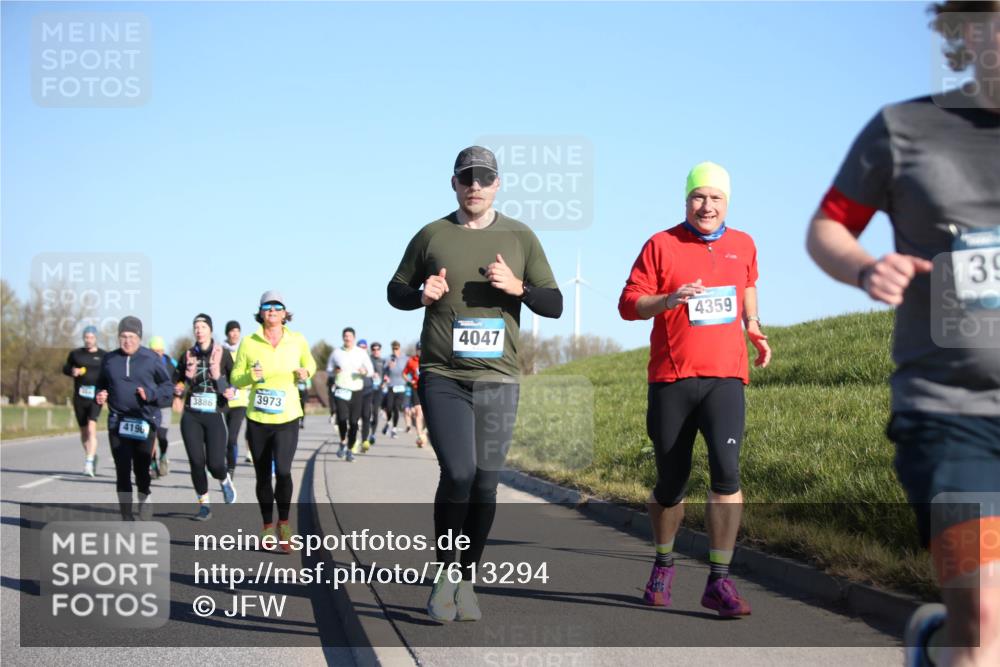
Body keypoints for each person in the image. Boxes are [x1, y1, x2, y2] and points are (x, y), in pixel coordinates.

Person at [806, 5, 999, 665]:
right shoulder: (906, 129)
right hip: (953, 416)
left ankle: (935, 644)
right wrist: (865, 267)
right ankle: (952, 639)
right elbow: (827, 226)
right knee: (986, 619)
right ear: (970, 32)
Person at [388, 145, 563, 621]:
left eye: (484, 178)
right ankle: (445, 577)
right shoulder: (432, 235)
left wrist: (519, 289)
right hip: (443, 375)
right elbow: (394, 290)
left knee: (486, 484)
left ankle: (465, 577)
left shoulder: (520, 237)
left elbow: (555, 303)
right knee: (460, 473)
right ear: (454, 183)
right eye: (467, 177)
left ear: (497, 184)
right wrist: (421, 294)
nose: (475, 186)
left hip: (498, 379)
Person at [618, 161, 771, 618]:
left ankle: (719, 581)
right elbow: (628, 304)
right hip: (671, 379)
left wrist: (754, 327)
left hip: (725, 377)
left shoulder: (743, 244)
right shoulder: (661, 244)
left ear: (728, 202)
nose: (707, 206)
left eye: (715, 198)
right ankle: (663, 564)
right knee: (671, 481)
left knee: (727, 473)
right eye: (698, 197)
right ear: (686, 201)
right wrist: (667, 300)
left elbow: (748, 284)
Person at [231, 291, 316, 553]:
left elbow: (310, 365)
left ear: (284, 313)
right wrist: (250, 376)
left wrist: (305, 372)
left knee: (283, 471)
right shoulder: (249, 342)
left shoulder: (297, 340)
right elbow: (235, 378)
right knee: (262, 476)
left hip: (287, 416)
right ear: (261, 312)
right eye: (267, 307)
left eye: (277, 307)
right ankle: (267, 526)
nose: (272, 311)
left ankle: (284, 523)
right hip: (258, 418)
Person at [95, 317, 174, 520]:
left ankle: (144, 495)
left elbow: (167, 388)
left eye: (131, 337)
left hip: (144, 421)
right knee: (122, 469)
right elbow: (101, 384)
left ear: (139, 337)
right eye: (123, 337)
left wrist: (151, 394)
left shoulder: (151, 359)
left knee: (141, 468)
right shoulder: (109, 359)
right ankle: (126, 515)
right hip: (117, 420)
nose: (127, 341)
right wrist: (100, 394)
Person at [174, 314, 238, 521]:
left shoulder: (223, 354)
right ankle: (204, 505)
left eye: (203, 326)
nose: (199, 330)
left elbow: (236, 378)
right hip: (192, 413)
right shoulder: (187, 355)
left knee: (216, 464)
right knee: (196, 461)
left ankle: (224, 479)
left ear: (210, 330)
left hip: (215, 413)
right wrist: (178, 390)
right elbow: (178, 378)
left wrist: (231, 391)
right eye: (196, 327)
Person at [62, 325, 106, 477]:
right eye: (86, 337)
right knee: (84, 432)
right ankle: (91, 456)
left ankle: (88, 462)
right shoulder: (76, 354)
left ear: (96, 338)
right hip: (80, 397)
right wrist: (72, 371)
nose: (88, 340)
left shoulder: (103, 355)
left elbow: (109, 374)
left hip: (96, 397)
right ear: (83, 338)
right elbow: (66, 368)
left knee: (92, 428)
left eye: (91, 337)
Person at [327, 327, 374, 461]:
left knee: (354, 423)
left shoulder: (361, 353)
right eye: (345, 336)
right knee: (342, 419)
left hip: (357, 391)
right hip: (341, 390)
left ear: (354, 338)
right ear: (343, 338)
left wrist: (364, 372)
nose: (347, 338)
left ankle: (349, 449)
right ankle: (342, 441)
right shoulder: (336, 353)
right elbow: (329, 369)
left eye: (349, 336)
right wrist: (334, 370)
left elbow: (370, 371)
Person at [221, 320, 248, 476]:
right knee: (222, 437)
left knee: (232, 438)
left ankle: (230, 469)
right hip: (223, 401)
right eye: (231, 330)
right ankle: (221, 463)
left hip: (240, 401)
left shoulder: (244, 350)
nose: (234, 333)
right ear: (227, 333)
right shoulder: (219, 350)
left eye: (237, 330)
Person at [147, 336, 177, 477]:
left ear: (163, 350)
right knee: (151, 436)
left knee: (162, 435)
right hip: (151, 405)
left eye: (159, 351)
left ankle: (163, 455)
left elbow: (179, 382)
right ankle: (152, 465)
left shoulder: (171, 364)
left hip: (165, 405)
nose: (156, 354)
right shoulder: (144, 363)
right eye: (153, 351)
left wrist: (178, 397)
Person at [382, 340, 409, 438]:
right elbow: (383, 371)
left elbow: (410, 369)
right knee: (389, 407)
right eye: (393, 349)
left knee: (396, 407)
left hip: (401, 386)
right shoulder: (388, 358)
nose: (395, 351)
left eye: (396, 349)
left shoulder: (405, 358)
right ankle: (388, 421)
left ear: (399, 348)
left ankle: (394, 429)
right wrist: (387, 371)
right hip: (391, 386)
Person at [403, 341, 427, 447]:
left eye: (423, 350)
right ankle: (420, 436)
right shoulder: (411, 361)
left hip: (427, 389)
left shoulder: (428, 361)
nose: (421, 352)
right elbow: (404, 373)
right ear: (417, 350)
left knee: (427, 413)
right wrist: (409, 381)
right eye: (419, 350)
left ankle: (424, 431)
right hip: (416, 389)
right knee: (418, 412)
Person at [365, 341, 387, 447]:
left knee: (375, 412)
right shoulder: (367, 360)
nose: (376, 351)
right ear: (371, 350)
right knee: (367, 412)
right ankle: (365, 430)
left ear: (380, 350)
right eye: (374, 349)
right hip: (368, 389)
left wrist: (385, 380)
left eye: (378, 349)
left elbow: (387, 373)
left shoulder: (383, 361)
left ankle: (372, 434)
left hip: (378, 390)